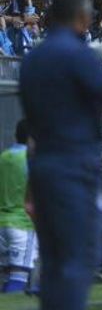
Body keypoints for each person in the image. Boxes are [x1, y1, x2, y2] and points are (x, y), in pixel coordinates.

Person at [20, 0, 102, 309]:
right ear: (84, 19)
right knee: (79, 256)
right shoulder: (77, 54)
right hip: (75, 164)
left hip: (43, 164)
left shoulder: (32, 59)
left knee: (54, 258)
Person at [0, 120, 34, 294]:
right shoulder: (31, 159)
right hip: (23, 224)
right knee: (19, 275)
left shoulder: (4, 157)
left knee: (7, 275)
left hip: (2, 223)